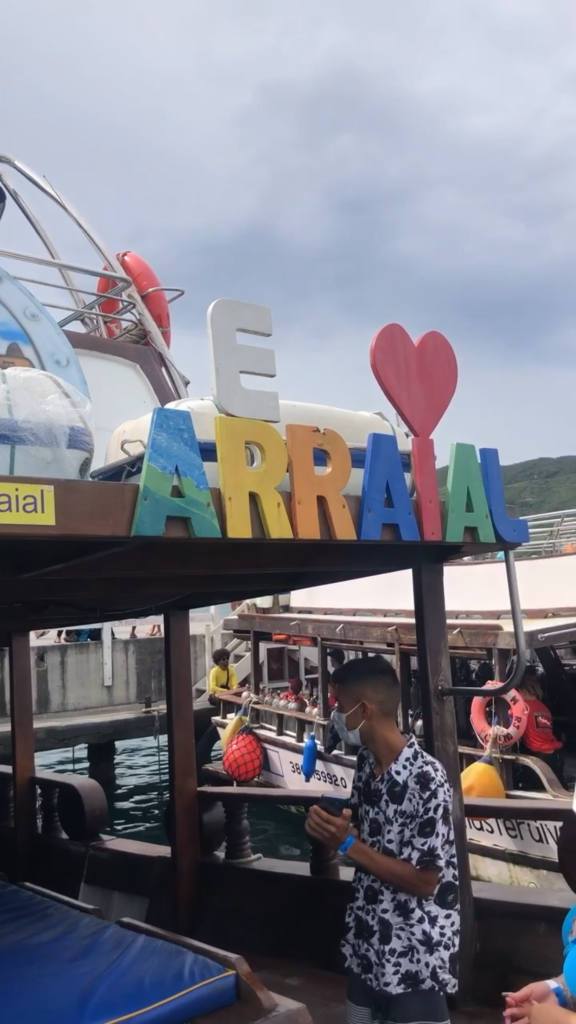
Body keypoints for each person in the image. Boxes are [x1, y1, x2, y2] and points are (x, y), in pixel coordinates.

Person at [305, 655, 459, 1024]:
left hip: (413, 954)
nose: (336, 716)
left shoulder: (427, 779)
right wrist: (331, 829)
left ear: (365, 710)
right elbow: (364, 834)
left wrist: (346, 845)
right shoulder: (365, 764)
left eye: (339, 706)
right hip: (367, 940)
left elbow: (424, 881)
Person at [518, 667, 564, 786]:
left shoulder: (521, 708)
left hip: (539, 757)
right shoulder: (544, 708)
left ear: (521, 691)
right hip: (556, 754)